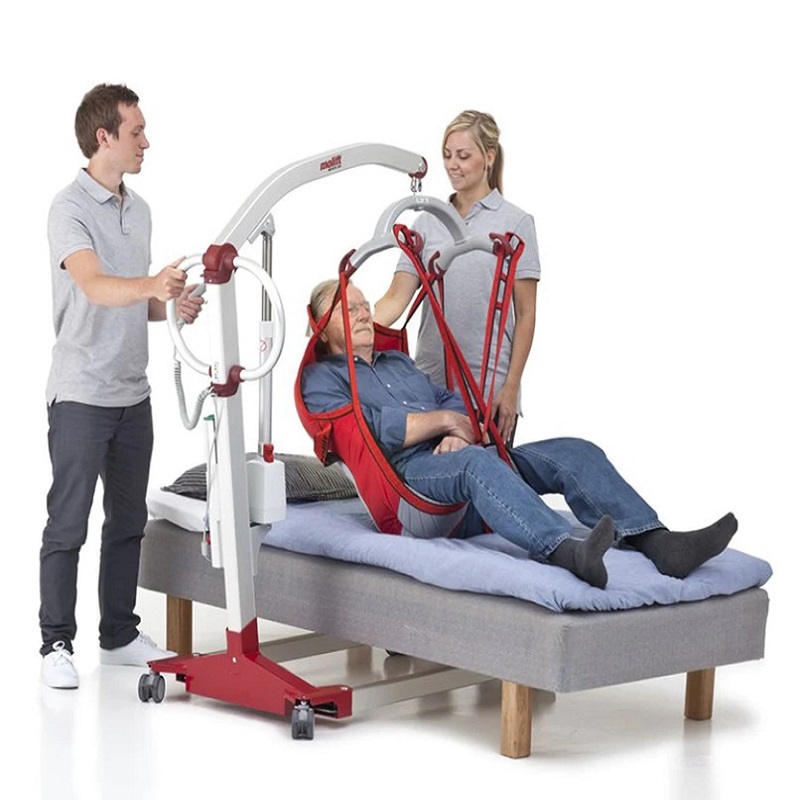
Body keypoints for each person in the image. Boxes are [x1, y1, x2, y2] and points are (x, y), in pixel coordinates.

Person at [302, 280, 738, 589]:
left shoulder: (398, 362)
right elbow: (375, 432)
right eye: (349, 308)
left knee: (574, 452)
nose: (364, 313)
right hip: (411, 489)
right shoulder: (320, 380)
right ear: (320, 326)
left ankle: (658, 542)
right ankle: (568, 551)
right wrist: (447, 424)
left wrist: (458, 432)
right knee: (477, 463)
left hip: (464, 465)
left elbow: (456, 404)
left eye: (365, 305)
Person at [40, 83, 204, 690]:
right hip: (82, 394)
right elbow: (93, 284)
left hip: (133, 395)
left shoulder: (141, 210)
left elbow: (135, 300)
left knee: (128, 522)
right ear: (103, 136)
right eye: (136, 132)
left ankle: (118, 636)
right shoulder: (68, 208)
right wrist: (150, 285)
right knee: (68, 524)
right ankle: (56, 643)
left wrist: (171, 305)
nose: (146, 142)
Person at [374, 110, 539, 444]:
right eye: (447, 155)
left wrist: (510, 389)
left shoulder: (516, 222)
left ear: (489, 157)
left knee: (485, 474)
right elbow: (396, 298)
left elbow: (526, 314)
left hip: (488, 390)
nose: (452, 165)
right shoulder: (427, 222)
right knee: (430, 474)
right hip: (429, 386)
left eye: (463, 156)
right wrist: (344, 328)